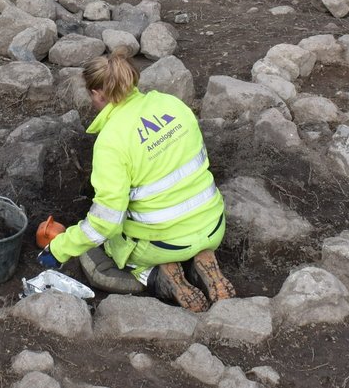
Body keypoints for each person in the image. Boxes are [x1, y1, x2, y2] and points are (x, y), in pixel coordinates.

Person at [37, 47, 235, 312]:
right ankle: (200, 260)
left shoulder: (111, 142)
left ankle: (157, 277)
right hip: (212, 225)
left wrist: (58, 249)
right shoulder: (172, 104)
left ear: (98, 94)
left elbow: (105, 224)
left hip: (161, 243)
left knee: (96, 252)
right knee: (179, 225)